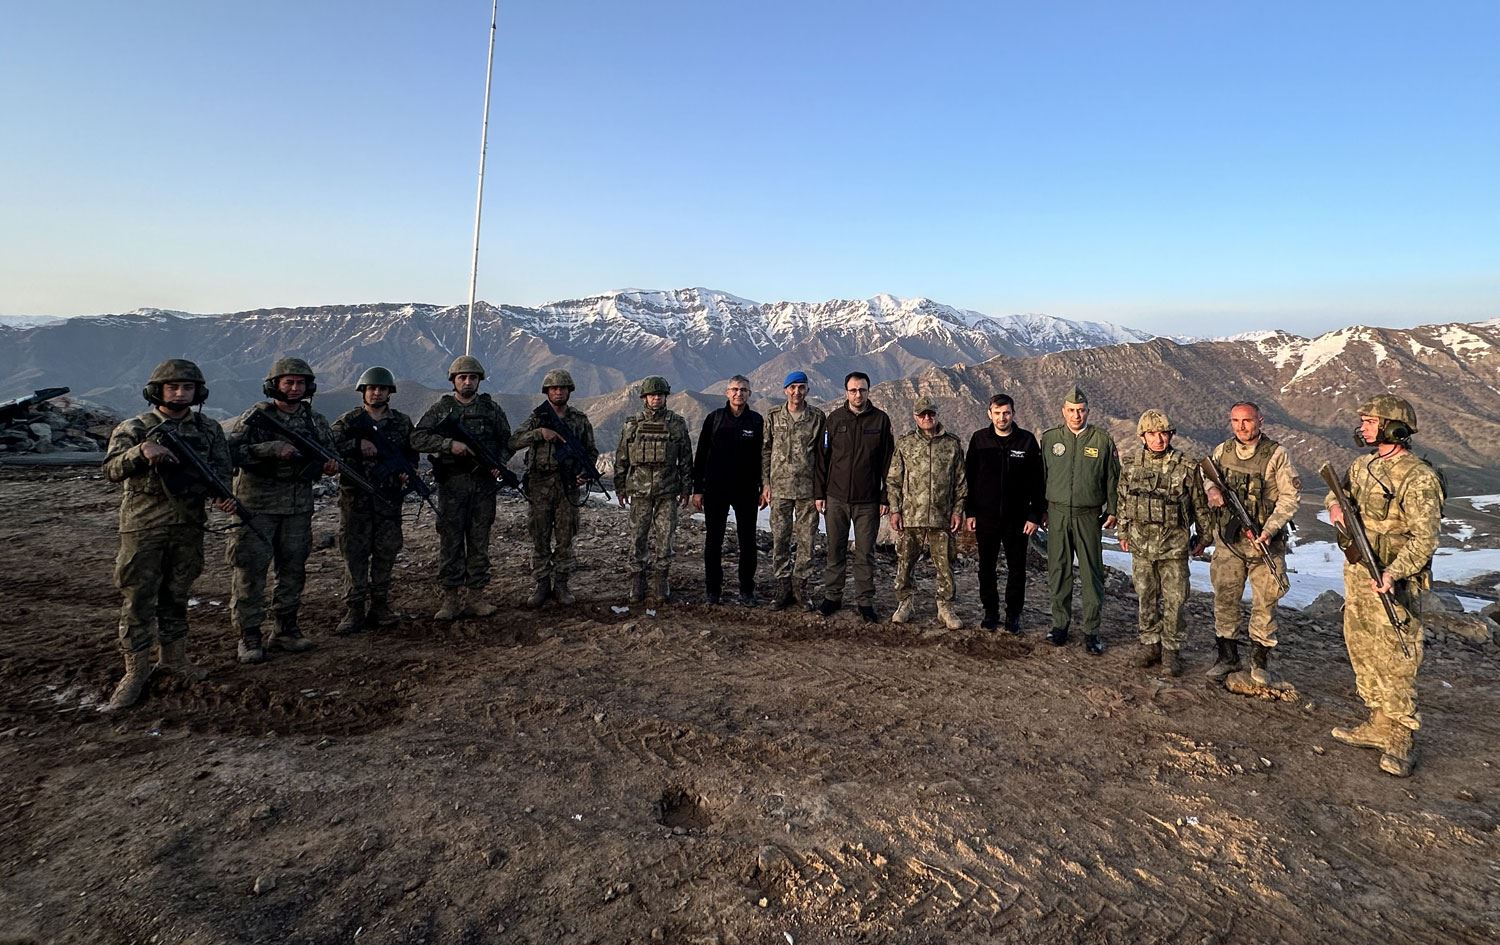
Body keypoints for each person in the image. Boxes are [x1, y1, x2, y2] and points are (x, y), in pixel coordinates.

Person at [101, 359, 235, 709]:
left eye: (187, 387)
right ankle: (135, 670)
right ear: (157, 391)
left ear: (197, 392)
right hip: (143, 524)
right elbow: (112, 469)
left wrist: (223, 497)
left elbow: (220, 474)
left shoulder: (208, 430)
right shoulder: (135, 427)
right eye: (173, 387)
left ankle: (174, 660)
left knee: (177, 593)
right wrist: (141, 452)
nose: (180, 393)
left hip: (188, 523)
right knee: (139, 597)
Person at [1326, 395, 1443, 778]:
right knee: (1361, 646)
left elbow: (1425, 538)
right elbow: (1336, 490)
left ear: (1395, 427)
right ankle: (1378, 721)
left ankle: (1401, 733)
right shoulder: (1362, 466)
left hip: (1394, 578)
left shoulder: (1418, 476)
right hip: (1359, 572)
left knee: (1397, 652)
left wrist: (1394, 572)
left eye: (1370, 421)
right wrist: (1335, 507)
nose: (1363, 427)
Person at [226, 357, 339, 662]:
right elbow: (229, 453)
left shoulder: (315, 421)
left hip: (297, 506)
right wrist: (271, 450)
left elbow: (332, 455)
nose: (294, 388)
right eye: (288, 382)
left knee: (293, 569)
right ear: (274, 385)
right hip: (257, 506)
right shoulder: (256, 416)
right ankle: (249, 635)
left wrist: (329, 466)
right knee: (251, 570)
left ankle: (286, 628)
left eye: (300, 383)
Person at [1202, 401, 1300, 683]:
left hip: (1264, 544)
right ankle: (1227, 657)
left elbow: (1289, 498)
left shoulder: (1276, 454)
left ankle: (1260, 661)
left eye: (1247, 421)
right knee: (1225, 598)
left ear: (1260, 421)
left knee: (1266, 602)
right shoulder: (1223, 451)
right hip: (1230, 544)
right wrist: (1212, 491)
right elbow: (1206, 474)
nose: (1241, 427)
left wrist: (1268, 530)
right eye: (1235, 421)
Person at [412, 355, 513, 620]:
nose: (467, 382)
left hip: (483, 485)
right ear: (453, 381)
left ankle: (476, 597)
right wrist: (448, 445)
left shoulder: (491, 410)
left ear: (479, 380)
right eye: (462, 378)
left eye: (472, 378)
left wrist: (498, 464)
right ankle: (451, 598)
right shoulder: (441, 409)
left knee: (479, 540)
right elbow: (418, 438)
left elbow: (507, 442)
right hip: (452, 484)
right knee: (451, 540)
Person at [1116, 410, 1211, 676]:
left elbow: (1200, 506)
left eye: (1164, 433)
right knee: (1145, 596)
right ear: (1142, 436)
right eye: (1152, 434)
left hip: (1174, 546)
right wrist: (1123, 532)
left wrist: (1204, 537)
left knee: (1175, 600)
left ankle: (1171, 651)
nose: (1159, 439)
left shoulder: (1186, 466)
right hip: (1141, 545)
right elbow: (1123, 500)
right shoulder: (1132, 464)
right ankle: (1150, 644)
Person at [330, 366, 415, 634]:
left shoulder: (401, 422)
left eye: (382, 389)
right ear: (363, 392)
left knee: (385, 553)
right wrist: (357, 446)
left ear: (390, 392)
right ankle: (354, 608)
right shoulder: (348, 422)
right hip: (356, 500)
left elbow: (411, 456)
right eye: (372, 388)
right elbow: (327, 448)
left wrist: (406, 474)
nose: (377, 393)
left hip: (388, 500)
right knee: (355, 554)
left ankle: (380, 604)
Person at [1039, 385, 1119, 654]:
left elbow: (1112, 478)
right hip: (1057, 514)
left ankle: (1091, 631)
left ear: (1088, 412)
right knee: (1059, 572)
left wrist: (1113, 509)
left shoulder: (1101, 440)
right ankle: (1060, 625)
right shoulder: (1050, 439)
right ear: (1063, 411)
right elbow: (1042, 476)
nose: (1076, 415)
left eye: (1081, 411)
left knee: (1091, 574)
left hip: (1088, 516)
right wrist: (1041, 509)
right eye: (1072, 411)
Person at [509, 369, 599, 608]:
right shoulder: (537, 418)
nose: (558, 392)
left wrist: (585, 473)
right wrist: (540, 434)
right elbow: (514, 441)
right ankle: (541, 583)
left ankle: (561, 583)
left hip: (567, 485)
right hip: (540, 483)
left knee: (565, 536)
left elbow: (590, 452)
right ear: (547, 391)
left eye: (563, 388)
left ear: (570, 391)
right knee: (539, 535)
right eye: (554, 388)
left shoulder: (579, 420)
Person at [815, 371, 895, 622]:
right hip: (836, 497)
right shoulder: (834, 419)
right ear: (846, 392)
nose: (857, 394)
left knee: (865, 552)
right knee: (834, 549)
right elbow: (822, 459)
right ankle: (832, 596)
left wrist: (885, 497)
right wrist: (820, 493)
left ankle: (865, 601)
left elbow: (888, 463)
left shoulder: (880, 421)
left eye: (862, 390)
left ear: (869, 391)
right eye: (853, 390)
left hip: (868, 500)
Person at [964, 393, 1044, 632]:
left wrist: (1034, 515)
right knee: (986, 567)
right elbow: (969, 478)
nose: (1002, 417)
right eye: (997, 413)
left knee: (1017, 569)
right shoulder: (979, 440)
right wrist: (970, 512)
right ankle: (990, 612)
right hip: (986, 518)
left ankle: (1013, 616)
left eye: (1006, 413)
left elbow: (1038, 483)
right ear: (990, 414)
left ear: (1013, 414)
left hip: (1017, 520)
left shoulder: (1027, 441)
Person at [887, 397, 968, 629]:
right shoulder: (905, 444)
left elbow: (961, 483)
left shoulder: (952, 444)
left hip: (941, 516)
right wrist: (895, 510)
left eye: (930, 414)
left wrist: (958, 511)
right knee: (905, 562)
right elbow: (894, 480)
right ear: (915, 417)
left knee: (945, 565)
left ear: (937, 414)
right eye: (922, 414)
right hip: (911, 515)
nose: (927, 418)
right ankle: (905, 603)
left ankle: (945, 607)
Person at [615, 376, 693, 603]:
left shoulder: (676, 423)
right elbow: (622, 457)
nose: (656, 398)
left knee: (665, 537)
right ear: (644, 398)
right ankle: (637, 579)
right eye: (652, 395)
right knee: (638, 537)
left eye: (660, 394)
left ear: (666, 397)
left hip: (667, 491)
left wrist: (687, 487)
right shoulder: (632, 423)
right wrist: (620, 487)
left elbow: (685, 458)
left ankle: (662, 579)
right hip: (639, 492)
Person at [693, 375, 765, 605]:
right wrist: (698, 488)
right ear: (726, 392)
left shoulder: (756, 421)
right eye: (734, 389)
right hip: (716, 488)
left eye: (743, 390)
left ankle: (747, 590)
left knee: (748, 541)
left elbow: (763, 457)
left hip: (746, 490)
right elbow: (701, 455)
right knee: (714, 540)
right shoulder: (714, 419)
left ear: (749, 394)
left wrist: (764, 485)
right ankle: (713, 590)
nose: (738, 393)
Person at [761, 370, 826, 610]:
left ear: (807, 389)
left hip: (807, 489)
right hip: (779, 488)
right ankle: (782, 585)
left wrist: (821, 489)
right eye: (792, 387)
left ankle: (801, 586)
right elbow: (765, 451)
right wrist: (765, 483)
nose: (797, 392)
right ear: (785, 390)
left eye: (801, 387)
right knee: (780, 538)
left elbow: (822, 455)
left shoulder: (817, 417)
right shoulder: (774, 416)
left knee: (807, 539)